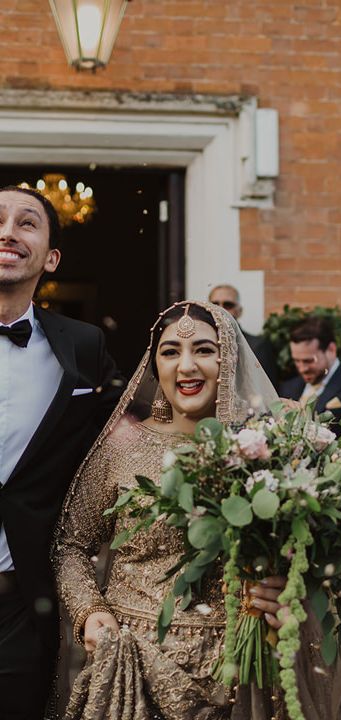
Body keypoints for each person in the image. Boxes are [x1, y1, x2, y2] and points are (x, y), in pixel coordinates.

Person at [54, 300, 341, 720]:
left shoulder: (268, 450)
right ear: (154, 364)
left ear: (228, 358)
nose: (187, 366)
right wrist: (91, 611)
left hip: (243, 672)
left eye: (204, 350)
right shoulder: (122, 449)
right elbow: (70, 544)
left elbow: (314, 553)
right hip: (131, 670)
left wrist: (286, 587)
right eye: (171, 351)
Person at [0, 185, 123, 720]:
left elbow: (124, 443)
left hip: (23, 596)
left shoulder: (83, 346)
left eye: (27, 223)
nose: (8, 231)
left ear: (50, 257)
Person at [279, 317, 341, 434]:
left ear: (331, 350)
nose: (302, 368)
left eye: (309, 361)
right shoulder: (288, 387)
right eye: (297, 361)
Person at [208, 284, 279, 388]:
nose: (221, 309)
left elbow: (268, 390)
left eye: (228, 305)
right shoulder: (198, 345)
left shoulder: (258, 346)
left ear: (239, 311)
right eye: (215, 304)